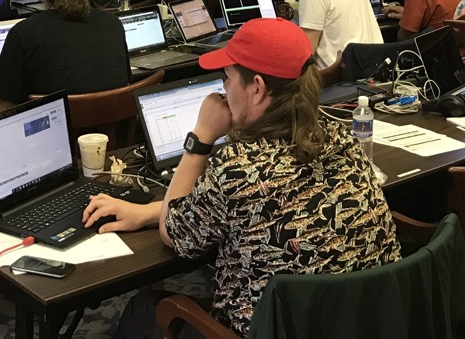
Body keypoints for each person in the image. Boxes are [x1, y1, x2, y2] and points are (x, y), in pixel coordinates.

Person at [81, 18, 400, 337]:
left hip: (268, 329)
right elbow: (274, 203)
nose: (223, 89)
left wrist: (201, 136)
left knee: (143, 307)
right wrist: (149, 211)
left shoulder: (237, 167)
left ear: (258, 88)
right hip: (355, 323)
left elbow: (174, 235)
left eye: (227, 78)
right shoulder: (344, 141)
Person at [0, 0, 130, 110]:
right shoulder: (113, 24)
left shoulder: (24, 33)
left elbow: (0, 109)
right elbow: (124, 81)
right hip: (108, 132)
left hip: (54, 133)